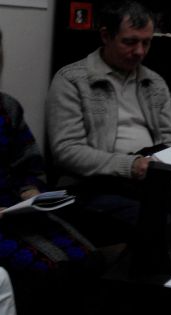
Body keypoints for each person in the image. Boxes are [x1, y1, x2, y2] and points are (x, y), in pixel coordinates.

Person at [45, 0, 171, 238]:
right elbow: (67, 152)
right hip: (92, 185)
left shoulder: (154, 82)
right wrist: (131, 166)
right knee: (160, 221)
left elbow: (169, 141)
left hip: (148, 177)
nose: (139, 51)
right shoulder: (72, 80)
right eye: (130, 42)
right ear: (106, 36)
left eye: (146, 42)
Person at [0, 28, 99, 313]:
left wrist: (30, 191)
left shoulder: (7, 107)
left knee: (89, 258)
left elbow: (28, 163)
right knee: (47, 271)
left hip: (14, 209)